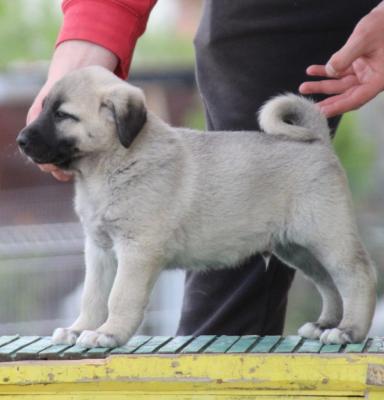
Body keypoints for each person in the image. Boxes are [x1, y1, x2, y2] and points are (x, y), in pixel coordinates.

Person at [27, 0, 384, 336]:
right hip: (258, 16)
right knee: (236, 283)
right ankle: (222, 369)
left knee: (314, 242)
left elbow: (140, 248)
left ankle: (347, 316)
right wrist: (82, 57)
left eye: (60, 116)